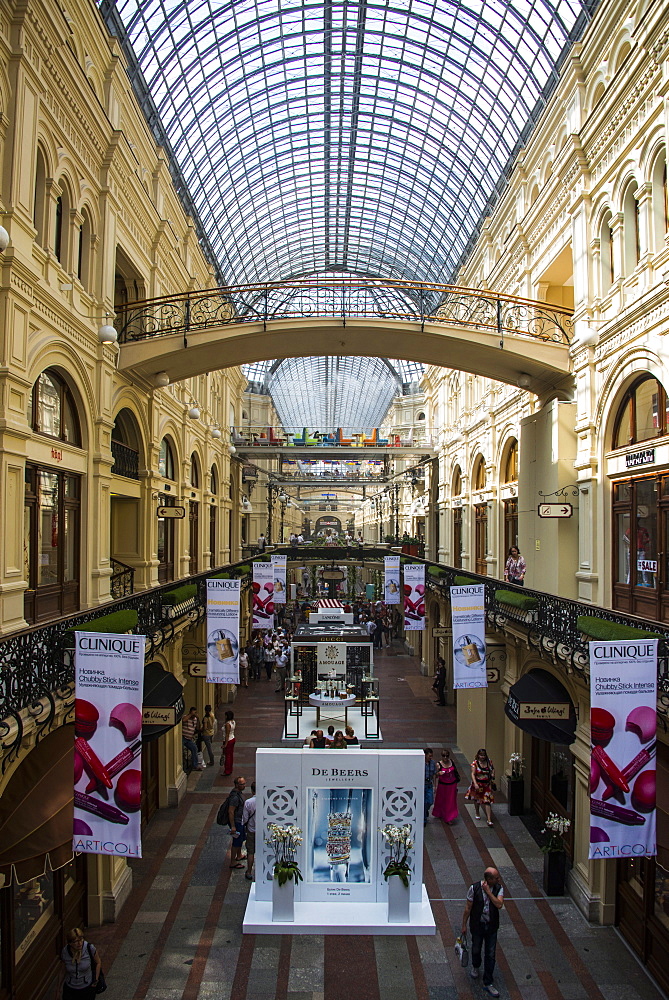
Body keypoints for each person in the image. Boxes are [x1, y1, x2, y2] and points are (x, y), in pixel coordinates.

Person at [461, 867, 504, 997]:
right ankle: (476, 965)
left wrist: (489, 893)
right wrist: (464, 925)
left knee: (490, 953)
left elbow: (499, 904)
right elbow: (468, 907)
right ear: (489, 879)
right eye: (496, 878)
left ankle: (488, 981)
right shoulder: (474, 888)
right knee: (476, 948)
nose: (498, 879)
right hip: (477, 925)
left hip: (491, 926)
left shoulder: (498, 888)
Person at [59, 927, 102, 999]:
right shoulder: (65, 951)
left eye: (81, 939)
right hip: (70, 989)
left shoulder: (89, 948)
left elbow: (98, 962)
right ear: (70, 943)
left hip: (86, 988)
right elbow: (63, 969)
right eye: (76, 941)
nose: (79, 943)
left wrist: (95, 980)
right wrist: (58, 988)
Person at [465, 748, 496, 826]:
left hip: (487, 784)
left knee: (487, 801)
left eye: (484, 755)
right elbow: (473, 774)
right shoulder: (475, 763)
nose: (482, 757)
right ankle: (477, 812)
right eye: (481, 755)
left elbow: (492, 769)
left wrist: (493, 774)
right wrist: (475, 784)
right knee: (477, 799)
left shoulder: (489, 762)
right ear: (478, 755)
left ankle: (489, 819)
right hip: (478, 784)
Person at [432, 748, 460, 823]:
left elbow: (455, 772)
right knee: (442, 800)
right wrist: (438, 774)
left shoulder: (452, 762)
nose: (445, 758)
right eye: (444, 756)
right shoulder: (438, 764)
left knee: (451, 801)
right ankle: (441, 813)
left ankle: (449, 816)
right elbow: (435, 775)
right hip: (443, 786)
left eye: (447, 756)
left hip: (452, 785)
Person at [226, 775, 247, 869]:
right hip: (237, 822)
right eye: (242, 784)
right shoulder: (235, 797)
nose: (244, 786)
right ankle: (233, 861)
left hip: (240, 820)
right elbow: (231, 811)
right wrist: (233, 826)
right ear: (236, 785)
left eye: (244, 783)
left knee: (240, 839)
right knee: (236, 841)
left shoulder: (239, 793)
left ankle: (239, 855)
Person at [241, 781, 256, 880]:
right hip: (263, 831)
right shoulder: (266, 800)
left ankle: (249, 871)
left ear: (252, 790)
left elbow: (245, 818)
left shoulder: (248, 802)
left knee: (250, 852)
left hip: (251, 830)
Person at [182, 706, 204, 771]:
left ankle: (195, 765)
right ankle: (183, 766)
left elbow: (197, 728)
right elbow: (183, 720)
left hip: (189, 739)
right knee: (182, 751)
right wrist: (191, 714)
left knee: (194, 748)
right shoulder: (186, 717)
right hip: (183, 737)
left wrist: (198, 719)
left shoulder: (195, 719)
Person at [220, 710, 237, 775]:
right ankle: (230, 769)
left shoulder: (227, 724)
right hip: (232, 738)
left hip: (228, 740)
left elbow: (227, 734)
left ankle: (227, 770)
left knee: (227, 756)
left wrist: (225, 744)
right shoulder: (233, 722)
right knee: (230, 755)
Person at [424, 748, 437, 823]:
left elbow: (434, 774)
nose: (431, 757)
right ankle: (424, 819)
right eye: (429, 756)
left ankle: (426, 810)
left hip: (429, 784)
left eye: (431, 756)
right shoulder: (421, 762)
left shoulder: (432, 763)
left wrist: (435, 785)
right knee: (424, 802)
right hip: (423, 784)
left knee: (430, 801)